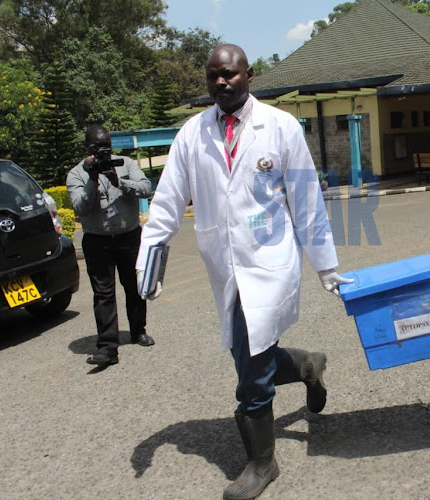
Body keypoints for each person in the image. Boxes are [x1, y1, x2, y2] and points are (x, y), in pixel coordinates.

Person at [135, 44, 351, 499]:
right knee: (247, 353)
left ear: (249, 74)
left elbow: (307, 201)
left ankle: (262, 464)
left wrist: (326, 267)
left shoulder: (280, 127)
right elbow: (169, 200)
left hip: (270, 264)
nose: (221, 82)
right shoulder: (192, 135)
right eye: (213, 76)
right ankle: (309, 365)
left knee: (251, 372)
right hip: (225, 267)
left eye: (230, 74)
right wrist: (150, 257)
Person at [67, 125, 155, 366]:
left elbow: (146, 188)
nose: (103, 152)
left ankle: (138, 331)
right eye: (97, 148)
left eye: (107, 147)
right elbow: (80, 207)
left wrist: (121, 182)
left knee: (134, 287)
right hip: (97, 241)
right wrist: (92, 181)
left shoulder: (125, 164)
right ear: (88, 149)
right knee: (103, 294)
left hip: (128, 237)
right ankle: (107, 348)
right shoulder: (76, 174)